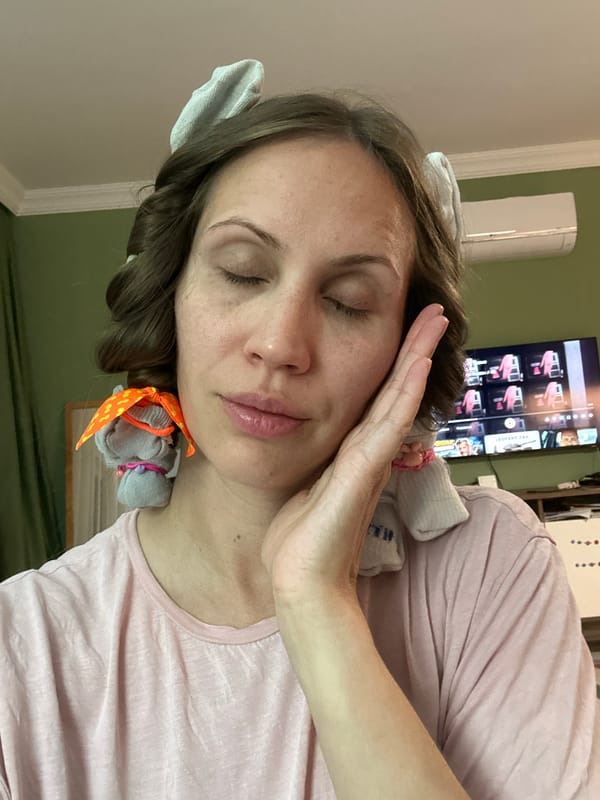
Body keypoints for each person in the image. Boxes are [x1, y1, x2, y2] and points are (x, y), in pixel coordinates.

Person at [0, 60, 598, 800]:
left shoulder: (490, 565)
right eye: (244, 273)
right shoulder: (21, 644)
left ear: (405, 349)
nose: (281, 344)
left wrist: (317, 603)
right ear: (172, 295)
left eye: (348, 301)